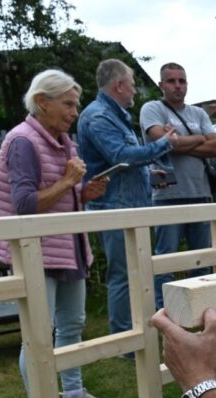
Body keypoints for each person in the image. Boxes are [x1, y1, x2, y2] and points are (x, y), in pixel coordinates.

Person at [0, 69, 116, 398]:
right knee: (38, 334)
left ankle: (72, 394)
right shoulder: (22, 142)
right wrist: (69, 182)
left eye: (75, 104)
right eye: (69, 103)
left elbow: (59, 197)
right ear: (42, 101)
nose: (75, 111)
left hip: (66, 248)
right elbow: (24, 205)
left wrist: (83, 193)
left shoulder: (63, 141)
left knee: (72, 324)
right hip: (34, 252)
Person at [78, 58, 179, 335]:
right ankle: (123, 337)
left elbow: (122, 165)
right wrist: (163, 144)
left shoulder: (114, 114)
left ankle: (138, 330)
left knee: (137, 272)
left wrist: (150, 175)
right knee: (123, 274)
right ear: (119, 85)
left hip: (130, 207)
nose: (135, 91)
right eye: (133, 85)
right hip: (114, 209)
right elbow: (120, 156)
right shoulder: (99, 116)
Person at [139, 62, 216, 310]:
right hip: (167, 194)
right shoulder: (152, 109)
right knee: (166, 259)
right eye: (171, 81)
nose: (177, 86)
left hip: (201, 194)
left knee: (202, 258)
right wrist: (199, 140)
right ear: (161, 84)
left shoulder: (198, 113)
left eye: (182, 81)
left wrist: (178, 141)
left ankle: (198, 310)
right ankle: (163, 313)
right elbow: (160, 140)